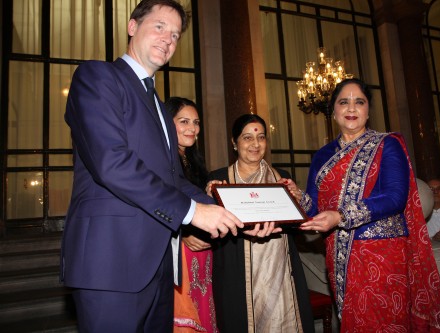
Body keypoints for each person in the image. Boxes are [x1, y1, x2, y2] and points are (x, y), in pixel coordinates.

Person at [61, 1, 244, 332]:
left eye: (174, 34)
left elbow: (174, 178)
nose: (168, 39)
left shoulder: (160, 107)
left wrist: (235, 212)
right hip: (111, 264)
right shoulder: (97, 76)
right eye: (159, 27)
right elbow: (111, 163)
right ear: (133, 27)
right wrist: (192, 213)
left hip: (159, 267)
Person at [285, 78, 440, 332]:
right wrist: (296, 196)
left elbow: (395, 198)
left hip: (383, 256)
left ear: (368, 110)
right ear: (333, 111)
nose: (351, 108)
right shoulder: (322, 155)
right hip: (340, 257)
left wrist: (341, 215)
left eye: (359, 102)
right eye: (344, 102)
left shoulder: (388, 144)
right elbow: (314, 209)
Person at [206, 114, 314, 333]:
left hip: (280, 273)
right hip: (236, 274)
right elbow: (207, 229)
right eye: (247, 138)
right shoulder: (219, 180)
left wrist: (297, 197)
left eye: (261, 137)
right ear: (234, 143)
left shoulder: (280, 177)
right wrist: (208, 198)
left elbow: (297, 224)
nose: (255, 144)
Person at [166, 97, 217, 332]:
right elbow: (162, 203)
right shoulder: (163, 159)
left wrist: (212, 191)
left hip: (203, 250)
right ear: (167, 122)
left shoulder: (193, 158)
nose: (192, 128)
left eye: (195, 122)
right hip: (179, 250)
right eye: (183, 121)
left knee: (204, 303)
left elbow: (198, 199)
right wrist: (183, 233)